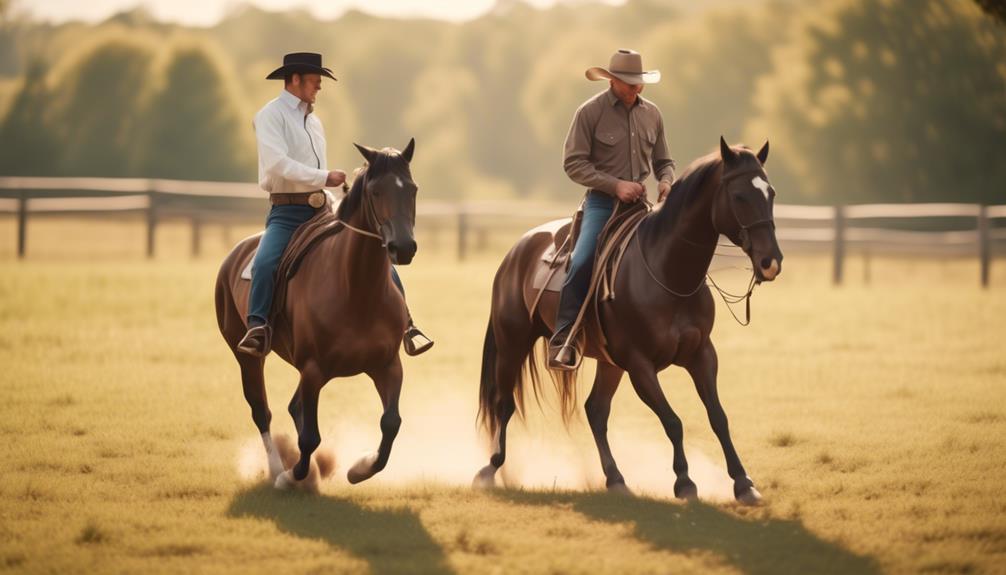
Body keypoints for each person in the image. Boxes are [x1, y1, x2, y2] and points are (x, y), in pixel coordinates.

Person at [237, 52, 432, 358]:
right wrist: (324, 176)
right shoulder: (269, 116)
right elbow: (276, 164)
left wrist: (333, 185)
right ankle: (258, 326)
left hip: (322, 209)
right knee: (264, 262)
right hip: (287, 211)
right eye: (315, 81)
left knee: (379, 255)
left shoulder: (314, 122)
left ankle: (406, 324)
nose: (319, 87)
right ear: (296, 79)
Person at [549, 49, 676, 370]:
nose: (635, 88)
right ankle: (564, 338)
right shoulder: (590, 112)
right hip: (602, 204)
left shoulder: (653, 114)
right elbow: (573, 163)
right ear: (613, 81)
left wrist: (666, 180)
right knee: (581, 261)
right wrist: (615, 185)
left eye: (639, 82)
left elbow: (665, 161)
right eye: (628, 83)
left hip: (642, 207)